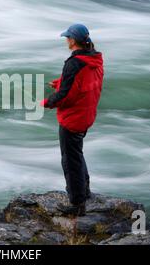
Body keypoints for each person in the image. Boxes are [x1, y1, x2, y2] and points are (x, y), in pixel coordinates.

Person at [41, 24, 104, 216]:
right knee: (77, 154)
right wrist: (60, 83)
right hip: (86, 115)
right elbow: (81, 84)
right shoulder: (93, 59)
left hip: (73, 118)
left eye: (67, 37)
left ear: (73, 41)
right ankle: (85, 192)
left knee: (70, 160)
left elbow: (65, 96)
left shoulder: (73, 63)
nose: (66, 40)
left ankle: (77, 204)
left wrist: (46, 102)